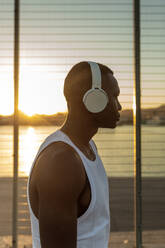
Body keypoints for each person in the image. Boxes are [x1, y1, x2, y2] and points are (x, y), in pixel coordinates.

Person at [27, 61, 122, 248]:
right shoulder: (61, 162)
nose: (119, 106)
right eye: (114, 97)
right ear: (94, 99)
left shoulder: (88, 147)